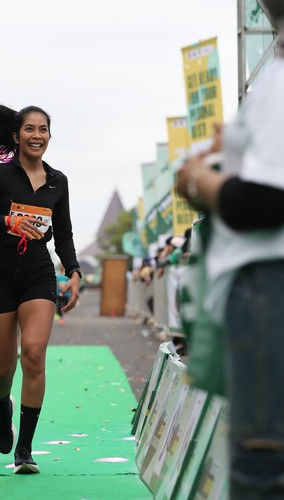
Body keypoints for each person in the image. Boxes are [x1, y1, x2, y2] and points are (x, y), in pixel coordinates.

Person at [176, 3, 284, 496]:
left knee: (263, 470)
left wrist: (197, 179)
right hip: (260, 294)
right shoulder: (274, 69)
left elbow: (263, 201)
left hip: (269, 291)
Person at [0, 100, 81, 474]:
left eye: (43, 129)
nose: (37, 135)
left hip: (37, 273)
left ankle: (24, 449)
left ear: (49, 136)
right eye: (30, 129)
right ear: (16, 136)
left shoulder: (58, 181)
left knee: (34, 354)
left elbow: (64, 233)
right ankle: (3, 410)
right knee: (2, 371)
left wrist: (74, 271)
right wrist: (5, 222)